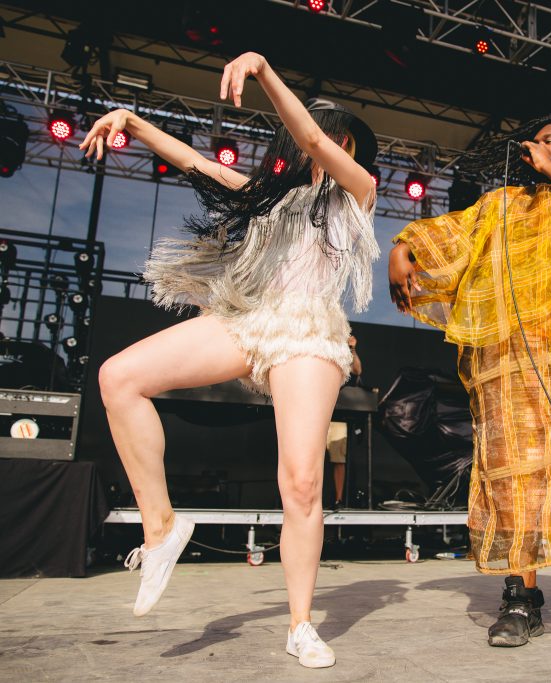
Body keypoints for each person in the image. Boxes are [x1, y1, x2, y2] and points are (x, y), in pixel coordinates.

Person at [84, 51, 378, 669]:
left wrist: (268, 70)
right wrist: (132, 122)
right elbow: (195, 162)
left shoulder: (358, 195)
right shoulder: (270, 201)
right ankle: (161, 528)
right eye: (306, 142)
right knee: (119, 378)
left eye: (332, 138)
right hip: (250, 320)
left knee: (299, 483)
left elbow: (315, 135)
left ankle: (300, 625)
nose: (314, 146)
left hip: (307, 331)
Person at [388, 115, 551, 647]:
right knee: (515, 478)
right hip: (520, 365)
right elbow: (453, 234)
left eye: (550, 139)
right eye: (534, 140)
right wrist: (403, 249)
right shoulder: (501, 204)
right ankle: (520, 596)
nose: (535, 145)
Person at [327, 335, 361, 507]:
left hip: (337, 419)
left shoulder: (346, 359)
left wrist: (351, 348)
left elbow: (357, 370)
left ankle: (338, 499)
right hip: (319, 417)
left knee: (338, 460)